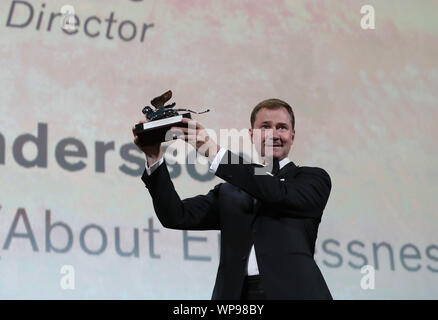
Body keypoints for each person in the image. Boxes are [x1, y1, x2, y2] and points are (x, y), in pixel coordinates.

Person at [132, 98, 332, 300]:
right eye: (265, 127)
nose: (273, 134)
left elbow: (275, 192)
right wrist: (153, 158)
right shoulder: (230, 192)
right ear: (252, 135)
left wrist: (213, 151)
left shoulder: (312, 179)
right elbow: (176, 216)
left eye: (282, 128)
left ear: (292, 135)